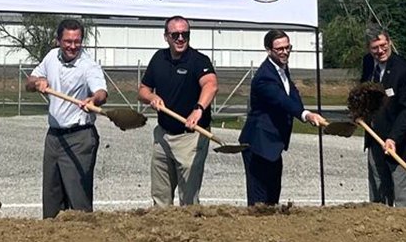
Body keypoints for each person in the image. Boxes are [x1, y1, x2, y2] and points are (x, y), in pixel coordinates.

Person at [27, 17, 110, 218]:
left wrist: (93, 99)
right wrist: (38, 81)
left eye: (77, 41)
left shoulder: (88, 65)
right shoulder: (51, 57)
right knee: (51, 195)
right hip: (54, 137)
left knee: (77, 199)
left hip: (79, 138)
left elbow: (102, 93)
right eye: (68, 41)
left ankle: (84, 240)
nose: (73, 46)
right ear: (58, 40)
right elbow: (29, 82)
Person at [239, 29, 328, 206]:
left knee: (273, 195)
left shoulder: (282, 69)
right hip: (259, 143)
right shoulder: (264, 76)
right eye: (279, 49)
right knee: (260, 200)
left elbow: (292, 95)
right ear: (268, 50)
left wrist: (306, 112)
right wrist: (305, 115)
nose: (285, 52)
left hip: (273, 144)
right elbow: (281, 100)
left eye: (288, 47)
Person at [136, 15, 217, 206]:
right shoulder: (158, 58)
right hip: (163, 136)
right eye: (175, 35)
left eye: (185, 34)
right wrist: (152, 97)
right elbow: (142, 91)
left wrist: (198, 109)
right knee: (160, 196)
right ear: (166, 37)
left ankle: (189, 233)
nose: (180, 39)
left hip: (190, 137)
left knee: (188, 199)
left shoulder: (198, 60)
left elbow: (211, 85)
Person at [359, 26, 406, 207]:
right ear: (369, 48)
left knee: (404, 201)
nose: (380, 51)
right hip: (376, 140)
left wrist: (393, 138)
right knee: (378, 198)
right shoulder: (367, 63)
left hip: (402, 143)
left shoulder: (403, 70)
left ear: (389, 42)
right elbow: (363, 93)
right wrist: (358, 112)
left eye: (383, 45)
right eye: (375, 48)